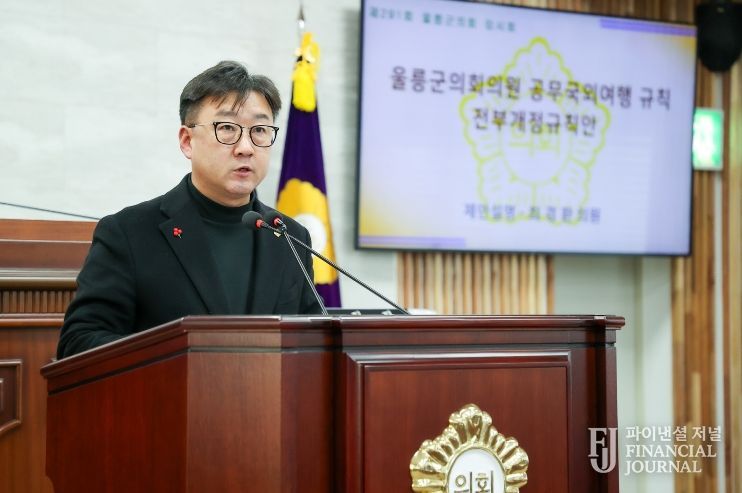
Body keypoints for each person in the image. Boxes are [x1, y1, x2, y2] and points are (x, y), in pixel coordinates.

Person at [57, 61, 322, 359]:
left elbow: (314, 344)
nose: (246, 147)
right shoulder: (128, 233)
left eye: (259, 130)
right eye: (227, 128)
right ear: (187, 141)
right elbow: (79, 341)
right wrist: (177, 361)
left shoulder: (290, 237)